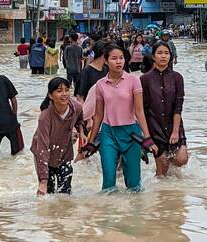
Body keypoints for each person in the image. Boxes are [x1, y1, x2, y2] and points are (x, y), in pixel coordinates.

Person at [79, 45, 157, 192]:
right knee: (108, 181)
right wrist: (90, 142)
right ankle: (110, 213)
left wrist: (147, 137)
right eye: (114, 58)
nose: (118, 61)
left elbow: (139, 111)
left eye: (121, 58)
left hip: (131, 133)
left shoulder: (133, 81)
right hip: (108, 134)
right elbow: (99, 115)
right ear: (106, 61)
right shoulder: (100, 85)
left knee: (134, 184)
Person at [140, 41, 189, 176]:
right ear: (153, 56)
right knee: (162, 170)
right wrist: (146, 135)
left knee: (181, 160)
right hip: (154, 127)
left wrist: (175, 131)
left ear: (170, 56)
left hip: (174, 124)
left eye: (166, 53)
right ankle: (163, 195)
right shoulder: (145, 79)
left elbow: (178, 106)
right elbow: (142, 109)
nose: (163, 56)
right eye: (160, 53)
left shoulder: (177, 78)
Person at [31, 77, 86, 195]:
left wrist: (81, 132)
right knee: (48, 193)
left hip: (65, 153)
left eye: (67, 90)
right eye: (59, 91)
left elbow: (80, 119)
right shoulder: (45, 117)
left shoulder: (76, 107)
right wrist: (43, 181)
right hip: (45, 156)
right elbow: (42, 148)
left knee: (65, 194)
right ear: (50, 95)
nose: (64, 94)